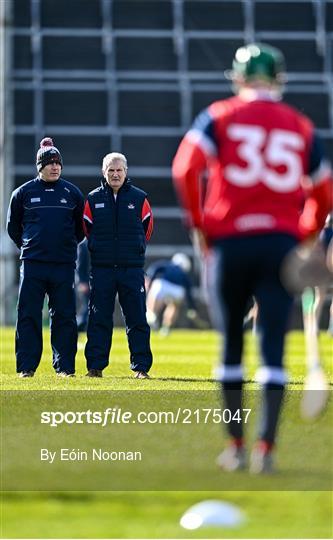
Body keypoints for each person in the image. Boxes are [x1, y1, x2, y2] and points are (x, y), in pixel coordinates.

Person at [172, 43, 332, 473]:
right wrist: (306, 235)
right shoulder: (299, 125)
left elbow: (185, 167)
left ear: (238, 78)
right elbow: (324, 191)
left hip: (229, 242)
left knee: (230, 348)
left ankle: (236, 447)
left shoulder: (219, 115)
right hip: (279, 244)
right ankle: (267, 451)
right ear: (279, 79)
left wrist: (201, 225)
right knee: (274, 350)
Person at [7, 137, 85, 377]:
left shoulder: (72, 193)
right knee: (28, 314)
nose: (55, 167)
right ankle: (26, 368)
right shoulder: (23, 193)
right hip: (33, 264)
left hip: (62, 264)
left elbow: (81, 229)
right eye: (50, 163)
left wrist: (65, 246)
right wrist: (31, 246)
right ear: (39, 166)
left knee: (64, 316)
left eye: (58, 163)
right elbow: (13, 228)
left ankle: (64, 368)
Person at [83, 152, 153, 379]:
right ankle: (95, 367)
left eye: (119, 170)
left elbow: (147, 229)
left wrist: (133, 250)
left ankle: (140, 367)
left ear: (126, 172)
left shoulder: (140, 198)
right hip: (102, 269)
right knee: (98, 318)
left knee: (137, 319)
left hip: (131, 269)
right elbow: (86, 230)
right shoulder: (92, 199)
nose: (115, 174)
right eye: (110, 170)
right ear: (104, 172)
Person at [146, 253, 207, 334]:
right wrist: (191, 308)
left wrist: (150, 280)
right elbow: (188, 293)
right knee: (174, 306)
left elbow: (155, 269)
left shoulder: (168, 265)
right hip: (178, 290)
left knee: (155, 291)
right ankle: (166, 328)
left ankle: (152, 315)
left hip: (163, 285)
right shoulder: (184, 274)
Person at [76, 238, 90, 332]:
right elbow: (80, 265)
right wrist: (82, 281)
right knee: (86, 306)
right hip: (85, 281)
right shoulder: (84, 244)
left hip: (90, 280)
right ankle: (80, 326)